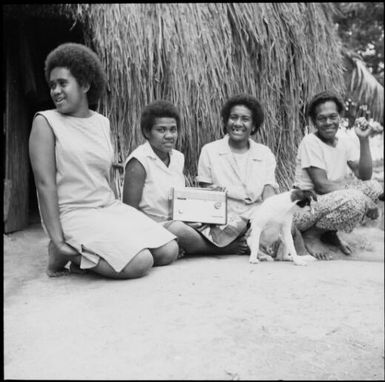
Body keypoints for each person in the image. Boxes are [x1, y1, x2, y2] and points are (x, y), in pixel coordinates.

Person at [29, 43, 178, 279]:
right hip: (73, 213)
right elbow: (44, 184)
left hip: (106, 208)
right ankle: (64, 253)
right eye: (52, 85)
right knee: (140, 262)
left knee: (169, 250)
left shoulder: (101, 123)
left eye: (63, 83)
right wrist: (56, 239)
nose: (55, 91)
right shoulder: (46, 122)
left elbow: (105, 175)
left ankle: (90, 254)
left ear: (85, 85)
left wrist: (118, 222)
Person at [122, 100, 249, 256]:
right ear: (147, 132)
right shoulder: (139, 161)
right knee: (180, 230)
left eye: (173, 130)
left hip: (179, 220)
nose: (169, 135)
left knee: (235, 219)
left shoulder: (177, 158)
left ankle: (198, 244)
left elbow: (179, 197)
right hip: (152, 225)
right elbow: (129, 212)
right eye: (161, 130)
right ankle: (221, 249)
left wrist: (203, 206)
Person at [196, 93, 310, 259]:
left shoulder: (264, 153)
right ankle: (247, 245)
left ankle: (252, 245)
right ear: (226, 121)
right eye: (233, 117)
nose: (238, 124)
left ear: (254, 125)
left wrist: (266, 219)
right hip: (225, 218)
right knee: (205, 235)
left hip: (257, 213)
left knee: (288, 226)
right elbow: (207, 196)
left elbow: (268, 193)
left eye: (245, 119)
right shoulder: (209, 151)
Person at [293, 90, 383, 256]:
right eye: (322, 118)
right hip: (304, 209)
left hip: (327, 203)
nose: (328, 122)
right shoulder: (310, 142)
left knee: (374, 187)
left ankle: (329, 234)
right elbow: (321, 185)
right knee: (356, 200)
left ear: (340, 116)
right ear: (314, 121)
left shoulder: (344, 143)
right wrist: (364, 199)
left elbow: (364, 175)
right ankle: (311, 236)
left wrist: (364, 140)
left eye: (333, 116)